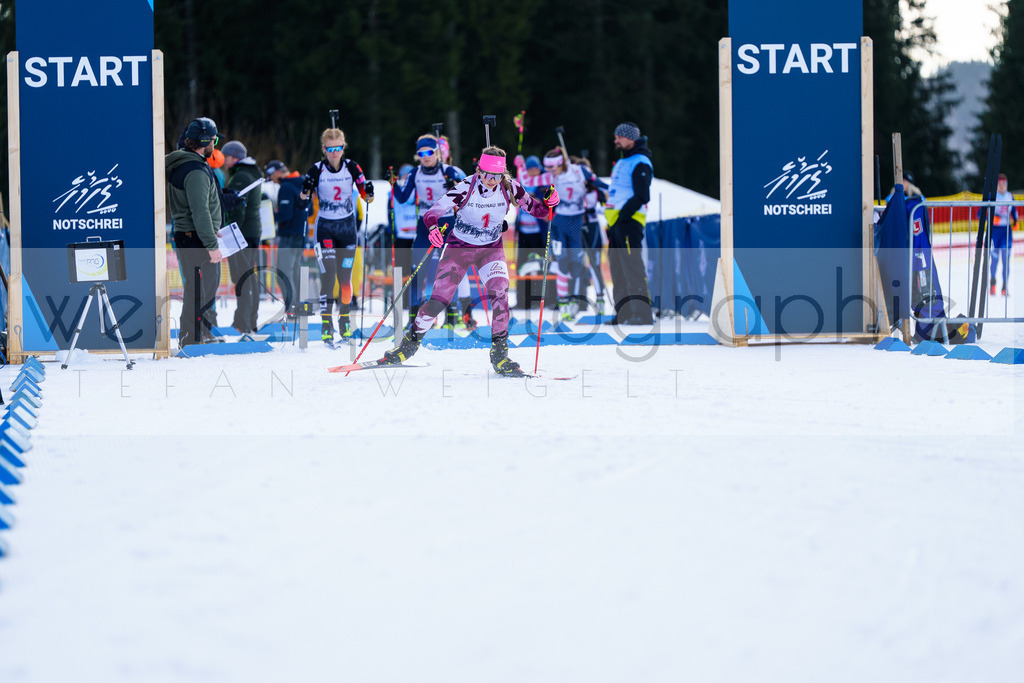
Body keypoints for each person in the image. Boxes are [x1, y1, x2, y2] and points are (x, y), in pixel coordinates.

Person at [378, 146, 559, 376]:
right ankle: (407, 346)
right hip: (459, 249)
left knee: (501, 295)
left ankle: (500, 355)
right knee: (438, 301)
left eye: (497, 176)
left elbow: (538, 210)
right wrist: (433, 229)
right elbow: (432, 213)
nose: (492, 180)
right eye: (487, 175)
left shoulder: (510, 187)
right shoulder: (465, 187)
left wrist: (551, 203)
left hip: (490, 250)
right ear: (479, 171)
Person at [300, 128, 374, 342]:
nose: (334, 153)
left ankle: (345, 322)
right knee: (328, 275)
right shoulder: (317, 169)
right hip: (325, 228)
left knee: (344, 278)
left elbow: (366, 197)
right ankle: (326, 324)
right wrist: (305, 190)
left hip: (347, 229)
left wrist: (369, 192)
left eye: (338, 148)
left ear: (344, 147)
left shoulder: (352, 167)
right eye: (330, 149)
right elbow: (303, 198)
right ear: (324, 149)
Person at [166, 116, 226, 347]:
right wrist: (211, 244)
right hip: (195, 238)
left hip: (194, 235)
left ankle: (195, 335)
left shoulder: (188, 164)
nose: (214, 144)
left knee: (198, 289)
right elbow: (200, 211)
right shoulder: (195, 171)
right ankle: (191, 338)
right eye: (213, 140)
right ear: (203, 141)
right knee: (201, 290)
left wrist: (211, 230)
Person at [390, 135, 463, 324]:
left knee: (449, 272)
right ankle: (413, 317)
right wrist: (393, 184)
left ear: (436, 152)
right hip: (425, 227)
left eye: (429, 152)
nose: (426, 157)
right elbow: (402, 197)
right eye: (421, 154)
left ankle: (451, 317)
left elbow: (465, 195)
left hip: (446, 224)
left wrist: (454, 187)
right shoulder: (415, 173)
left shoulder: (447, 171)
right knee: (417, 272)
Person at [539, 147, 601, 319]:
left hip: (576, 225)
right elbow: (532, 183)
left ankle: (573, 302)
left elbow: (598, 189)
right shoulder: (554, 177)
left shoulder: (582, 182)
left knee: (576, 265)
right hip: (559, 225)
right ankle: (563, 302)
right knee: (562, 264)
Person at [605, 122, 654, 325]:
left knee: (632, 267)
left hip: (629, 222)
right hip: (616, 223)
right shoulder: (623, 161)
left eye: (619, 137)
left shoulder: (640, 161)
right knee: (617, 269)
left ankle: (642, 314)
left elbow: (642, 195)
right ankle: (624, 312)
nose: (615, 140)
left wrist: (624, 215)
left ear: (630, 139)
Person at [221, 139, 264, 337]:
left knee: (242, 278)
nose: (224, 161)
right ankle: (248, 320)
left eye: (226, 156)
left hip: (241, 234)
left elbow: (238, 208)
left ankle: (243, 322)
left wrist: (230, 231)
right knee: (248, 277)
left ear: (234, 157)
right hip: (251, 232)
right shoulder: (251, 173)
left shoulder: (240, 177)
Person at [266, 160, 306, 314]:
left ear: (277, 173)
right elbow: (308, 211)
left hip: (288, 234)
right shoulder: (302, 183)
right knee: (295, 272)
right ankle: (297, 306)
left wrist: (269, 216)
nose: (273, 182)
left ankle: (291, 308)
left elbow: (285, 214)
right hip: (300, 234)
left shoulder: (286, 187)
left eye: (272, 178)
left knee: (283, 273)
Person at [576, 155, 609, 313]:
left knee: (595, 265)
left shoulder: (596, 188)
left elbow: (607, 205)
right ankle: (577, 301)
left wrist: (596, 210)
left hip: (593, 228)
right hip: (578, 228)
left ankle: (600, 299)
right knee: (577, 265)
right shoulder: (574, 187)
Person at [989, 173, 1018, 296]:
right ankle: (992, 283)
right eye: (999, 184)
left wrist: (1016, 221)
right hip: (995, 232)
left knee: (1006, 259)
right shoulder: (992, 196)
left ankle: (1005, 286)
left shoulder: (1010, 196)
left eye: (1004, 184)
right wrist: (992, 218)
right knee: (995, 259)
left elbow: (1014, 211)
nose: (1002, 186)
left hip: (1006, 232)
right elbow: (981, 213)